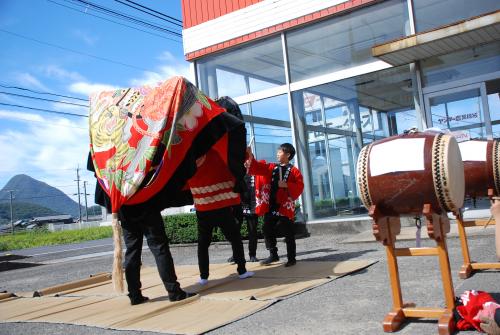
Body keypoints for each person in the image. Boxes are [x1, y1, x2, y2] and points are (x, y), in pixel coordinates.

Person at [119, 205, 194, 305]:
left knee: (132, 252)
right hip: (147, 208)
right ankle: (174, 291)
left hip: (125, 212)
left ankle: (134, 295)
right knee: (160, 249)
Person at [246, 143, 304, 267]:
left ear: (288, 155)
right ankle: (273, 254)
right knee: (267, 229)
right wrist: (250, 155)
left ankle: (291, 258)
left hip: (284, 205)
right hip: (271, 205)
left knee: (288, 232)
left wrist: (287, 185)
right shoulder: (272, 167)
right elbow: (258, 167)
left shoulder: (294, 171)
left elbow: (300, 186)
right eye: (277, 151)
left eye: (280, 151)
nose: (277, 153)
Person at [228, 174, 260, 263]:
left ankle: (252, 254)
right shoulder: (238, 173)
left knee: (252, 232)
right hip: (238, 206)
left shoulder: (255, 175)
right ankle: (235, 254)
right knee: (235, 231)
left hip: (252, 207)